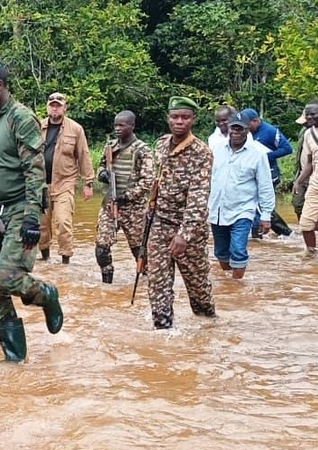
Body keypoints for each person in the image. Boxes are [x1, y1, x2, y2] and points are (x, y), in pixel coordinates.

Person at [0, 57, 63, 362]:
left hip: (20, 209)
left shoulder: (21, 118)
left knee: (8, 277)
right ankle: (15, 357)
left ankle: (46, 294)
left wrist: (34, 216)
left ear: (0, 85)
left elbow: (34, 170)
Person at [147, 96, 215, 330]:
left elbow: (198, 197)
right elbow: (157, 180)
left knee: (199, 291)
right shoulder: (161, 144)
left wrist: (184, 235)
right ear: (168, 119)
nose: (179, 122)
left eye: (185, 117)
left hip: (189, 231)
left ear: (193, 120)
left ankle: (208, 328)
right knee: (158, 284)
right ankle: (162, 332)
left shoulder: (201, 152)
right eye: (175, 117)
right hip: (159, 224)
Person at [207, 110, 275, 279]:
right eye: (233, 128)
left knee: (238, 249)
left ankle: (236, 285)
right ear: (228, 128)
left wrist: (266, 215)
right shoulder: (216, 149)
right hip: (217, 209)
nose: (236, 132)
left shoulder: (258, 154)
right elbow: (206, 178)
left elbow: (265, 186)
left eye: (240, 129)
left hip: (242, 210)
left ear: (248, 130)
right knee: (221, 252)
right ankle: (227, 283)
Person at [94, 110, 154, 284]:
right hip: (110, 204)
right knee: (101, 247)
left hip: (133, 208)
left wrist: (127, 196)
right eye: (115, 125)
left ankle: (147, 282)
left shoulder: (142, 150)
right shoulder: (110, 147)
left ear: (132, 126)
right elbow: (101, 166)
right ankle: (107, 284)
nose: (117, 129)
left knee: (140, 251)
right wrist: (102, 174)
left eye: (122, 125)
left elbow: (148, 181)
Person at [38, 92, 94, 264]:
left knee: (63, 223)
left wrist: (89, 182)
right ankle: (45, 258)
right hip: (40, 184)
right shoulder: (38, 126)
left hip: (65, 183)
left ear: (65, 107)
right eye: (52, 105)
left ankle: (65, 262)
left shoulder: (75, 129)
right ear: (47, 107)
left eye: (58, 105)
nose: (55, 108)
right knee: (41, 226)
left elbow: (83, 154)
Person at [243, 108, 293, 238]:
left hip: (270, 172)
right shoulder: (246, 133)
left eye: (248, 124)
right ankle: (282, 233)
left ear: (256, 121)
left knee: (261, 205)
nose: (245, 127)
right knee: (256, 205)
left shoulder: (270, 131)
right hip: (252, 174)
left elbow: (287, 149)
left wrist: (265, 157)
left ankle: (282, 233)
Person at [295, 101, 318, 258]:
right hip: (316, 185)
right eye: (307, 114)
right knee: (306, 223)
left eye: (313, 114)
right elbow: (310, 162)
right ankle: (311, 253)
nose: (309, 117)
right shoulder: (308, 134)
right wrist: (298, 181)